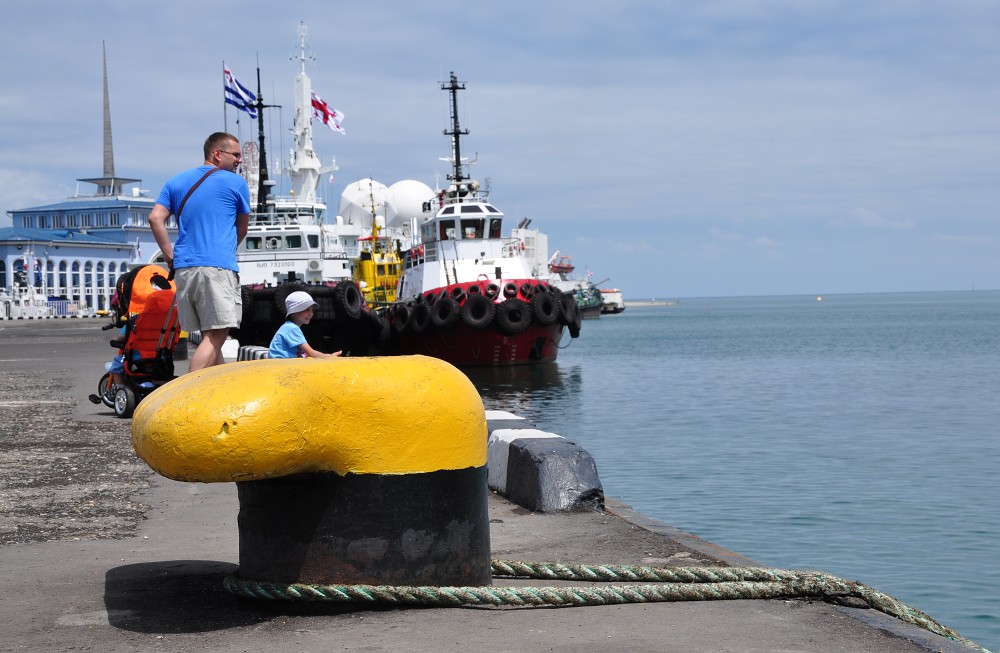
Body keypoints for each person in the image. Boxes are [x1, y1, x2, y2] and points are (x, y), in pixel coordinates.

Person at [149, 132, 251, 372]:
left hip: (184, 269)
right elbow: (242, 228)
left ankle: (221, 393)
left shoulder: (176, 182)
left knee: (209, 337)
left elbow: (155, 218)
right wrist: (222, 251)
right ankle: (188, 395)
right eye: (235, 155)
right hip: (216, 267)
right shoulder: (235, 183)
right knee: (217, 335)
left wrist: (170, 256)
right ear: (217, 154)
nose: (239, 161)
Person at [268, 291, 342, 359]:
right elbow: (310, 353)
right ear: (293, 312)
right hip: (281, 365)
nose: (311, 314)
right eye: (306, 309)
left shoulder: (288, 326)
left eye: (312, 310)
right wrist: (331, 357)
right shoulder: (292, 328)